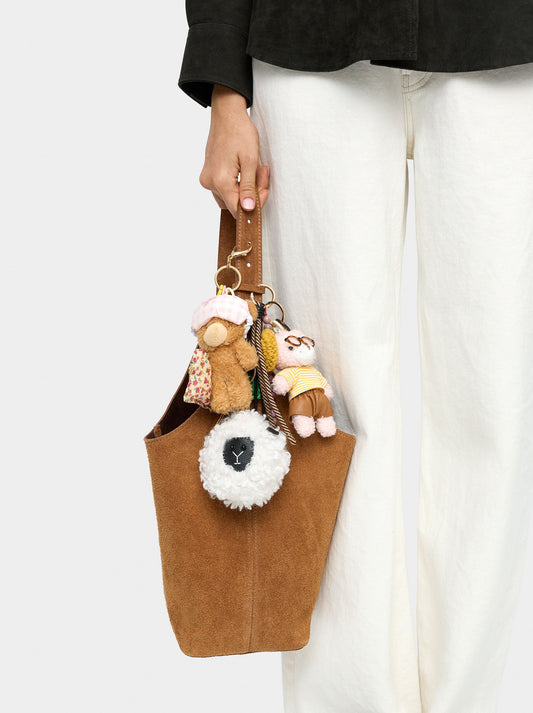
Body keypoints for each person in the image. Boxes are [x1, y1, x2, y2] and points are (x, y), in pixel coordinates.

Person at [177, 3, 533, 712]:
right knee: (321, 411)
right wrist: (225, 86)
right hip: (311, 36)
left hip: (503, 39)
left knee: (491, 401)